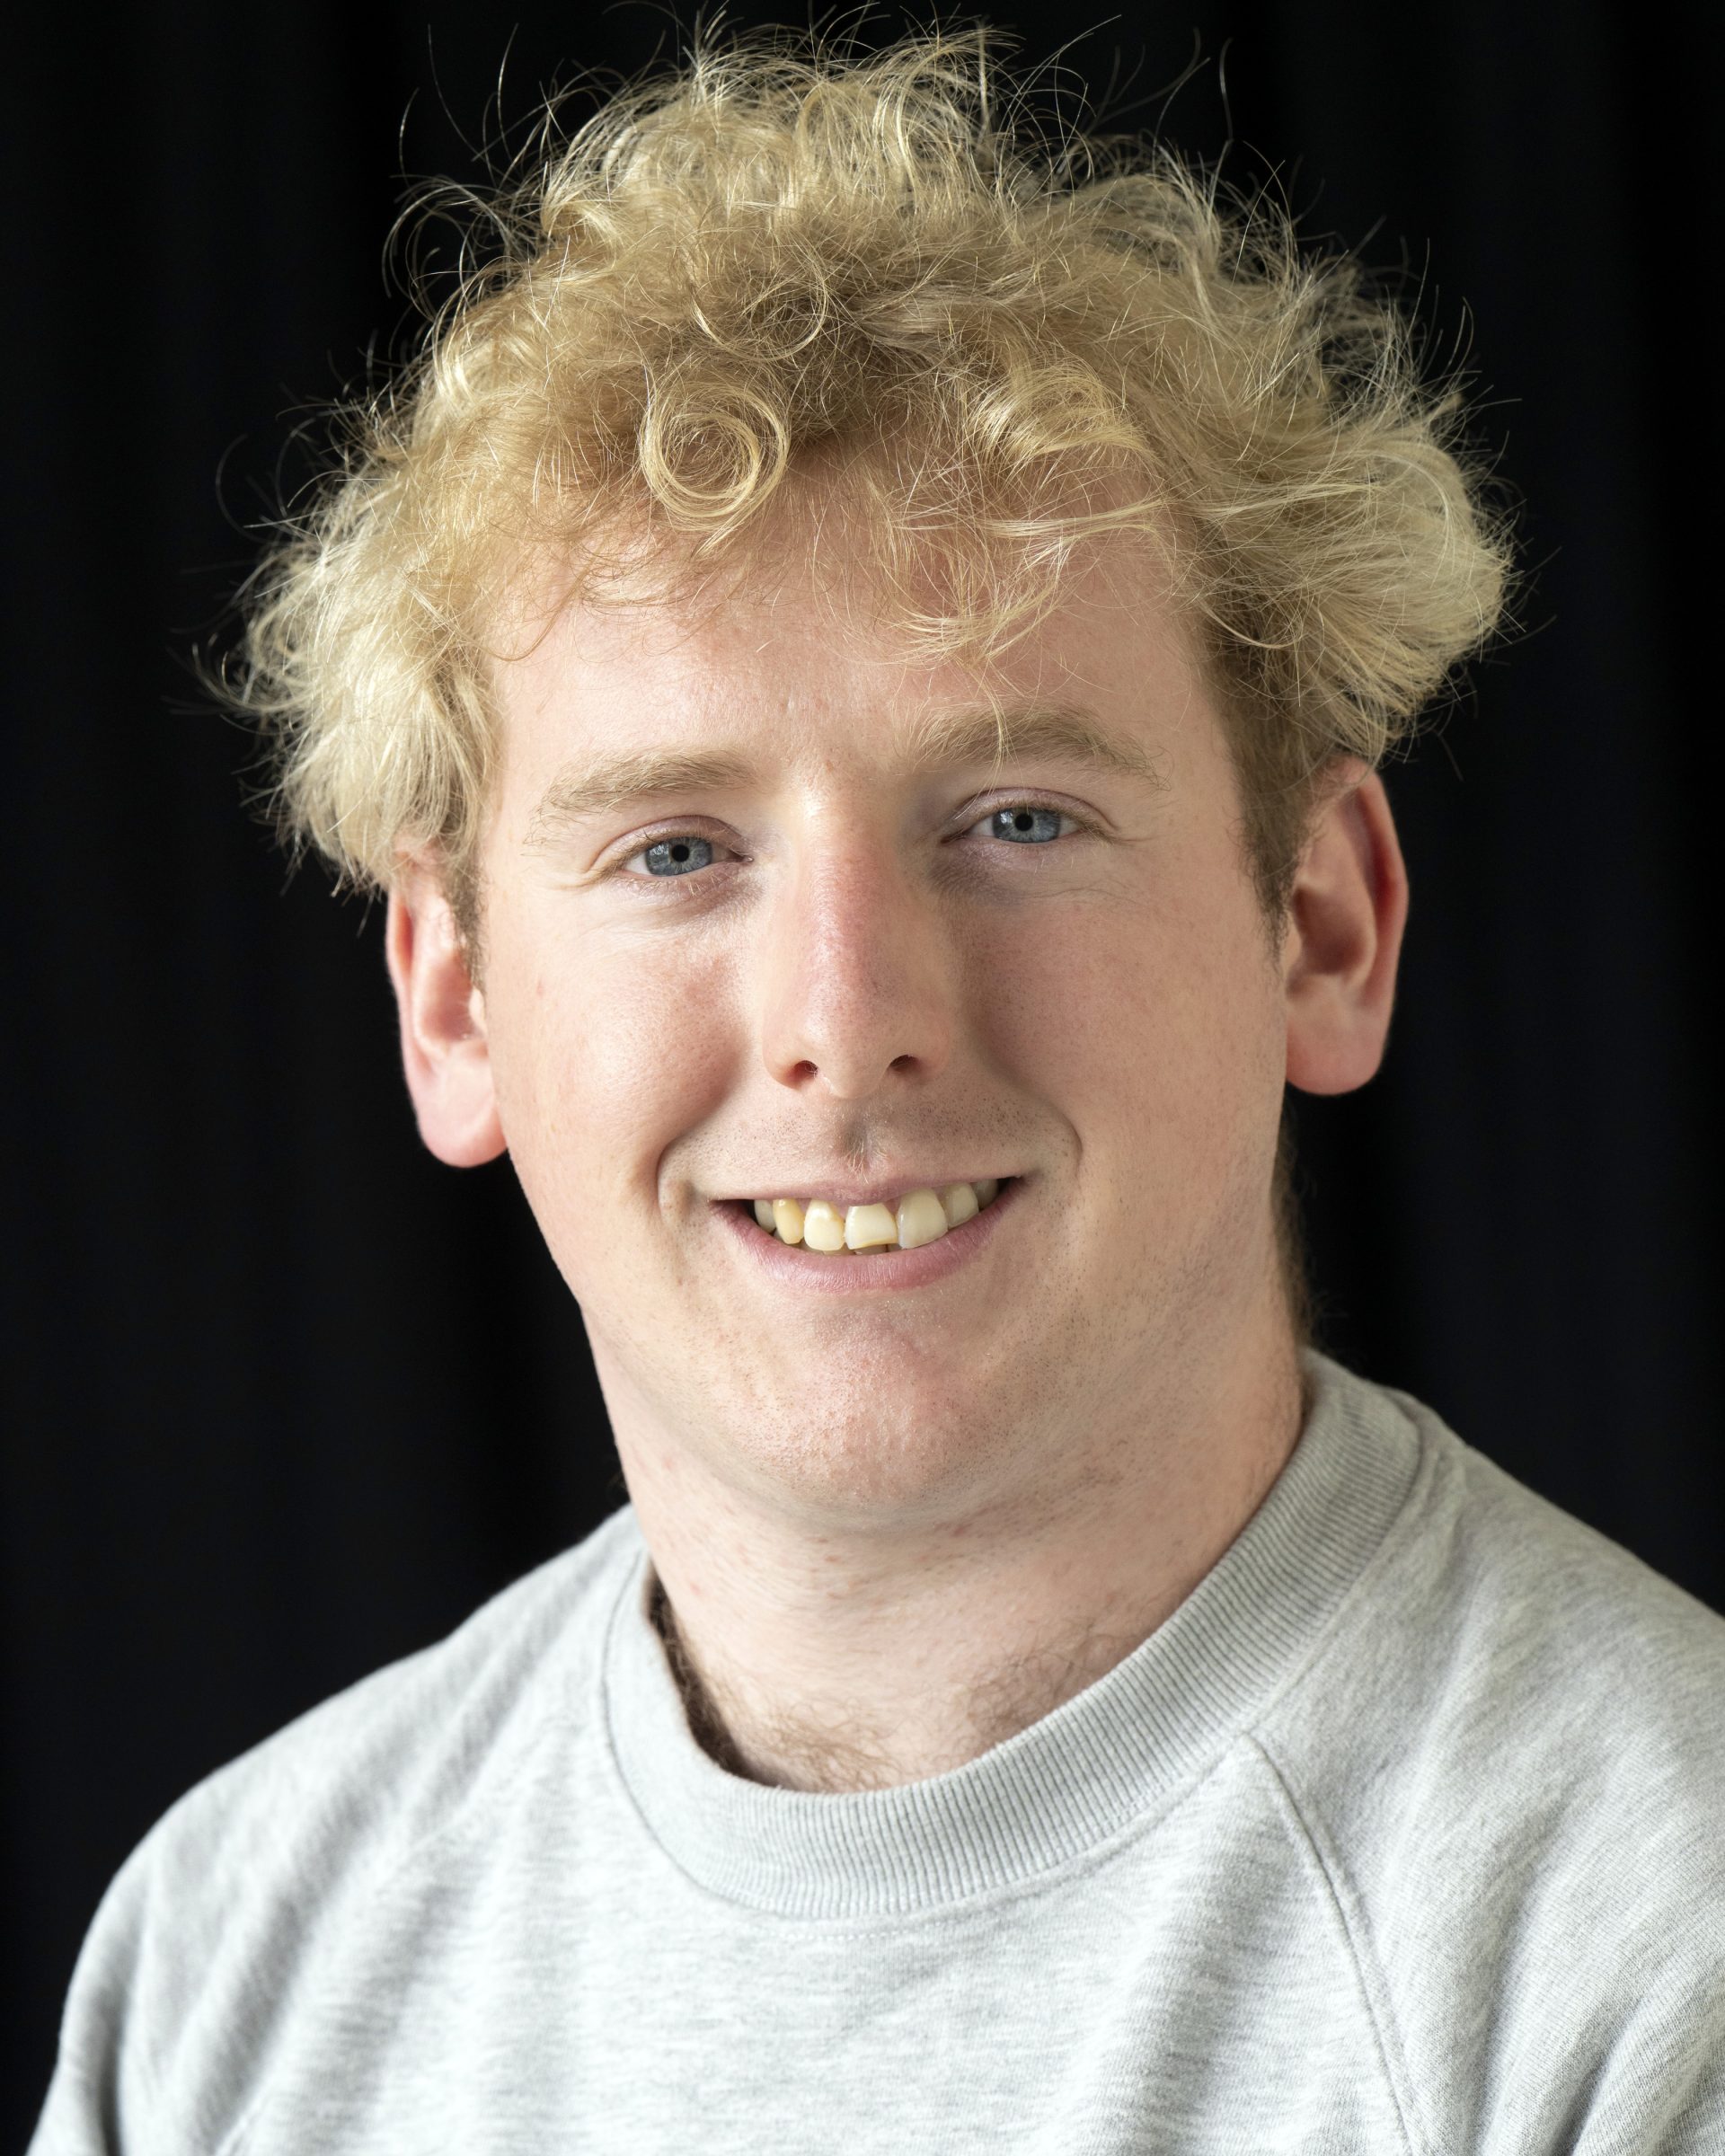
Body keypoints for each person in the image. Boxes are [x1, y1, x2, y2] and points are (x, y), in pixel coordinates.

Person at [30, 21, 1725, 2153]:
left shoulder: (1653, 1947)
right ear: (454, 1002)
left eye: (1016, 817)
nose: (848, 1019)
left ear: (1321, 923)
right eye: (676, 852)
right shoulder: (232, 1972)